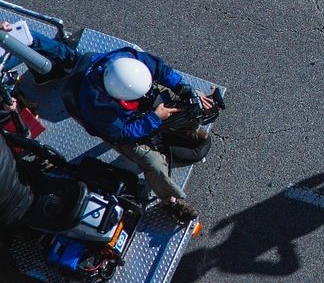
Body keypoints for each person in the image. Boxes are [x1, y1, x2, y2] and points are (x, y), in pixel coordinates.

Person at [1, 21, 215, 223]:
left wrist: (183, 88)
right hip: (124, 127)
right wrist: (153, 118)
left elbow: (159, 69)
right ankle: (171, 199)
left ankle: (185, 127)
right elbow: (121, 134)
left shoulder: (130, 63)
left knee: (189, 101)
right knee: (154, 164)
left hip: (143, 106)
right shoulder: (96, 106)